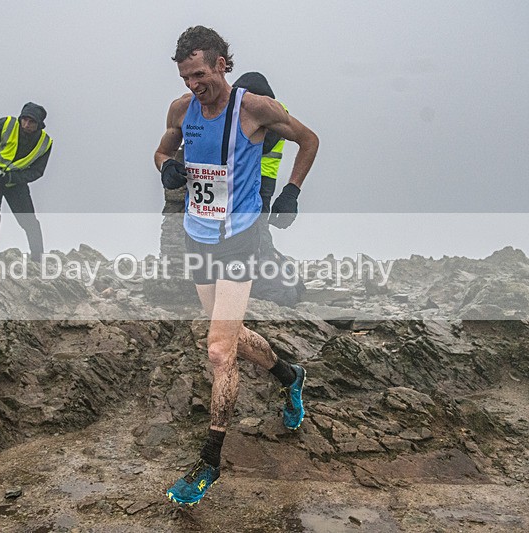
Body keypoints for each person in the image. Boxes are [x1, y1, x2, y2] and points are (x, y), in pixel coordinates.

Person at [153, 26, 319, 505]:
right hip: (197, 239)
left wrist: (292, 192)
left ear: (222, 63)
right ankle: (290, 376)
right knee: (227, 334)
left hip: (240, 241)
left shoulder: (254, 109)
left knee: (219, 352)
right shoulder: (182, 110)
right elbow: (164, 148)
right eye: (186, 77)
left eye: (200, 75)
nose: (193, 85)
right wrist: (165, 165)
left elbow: (308, 139)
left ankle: (210, 461)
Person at [0, 102, 52, 261]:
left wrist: (12, 178)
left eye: (31, 122)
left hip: (15, 183)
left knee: (30, 222)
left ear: (39, 125)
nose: (26, 124)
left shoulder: (45, 143)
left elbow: (37, 171)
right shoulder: (6, 124)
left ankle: (37, 262)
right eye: (24, 120)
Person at [233, 72, 287, 259]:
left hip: (261, 181)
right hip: (248, 179)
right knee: (250, 232)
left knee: (258, 232)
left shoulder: (274, 112)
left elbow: (261, 145)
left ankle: (278, 279)